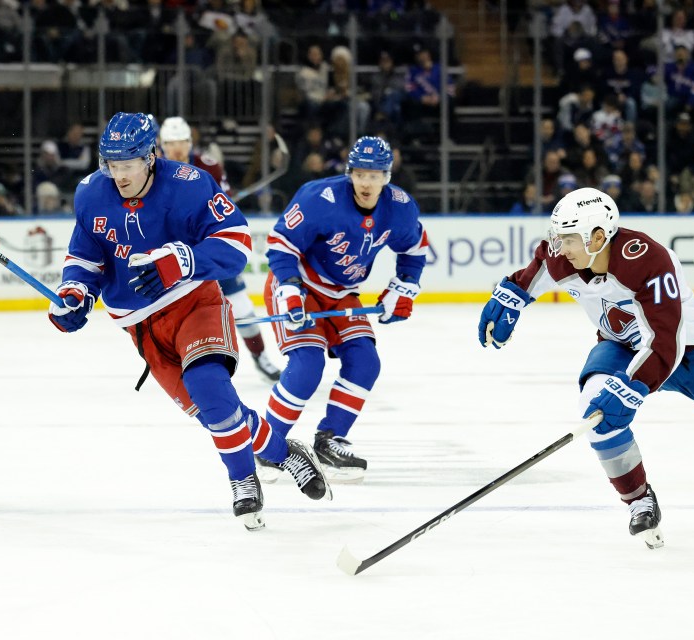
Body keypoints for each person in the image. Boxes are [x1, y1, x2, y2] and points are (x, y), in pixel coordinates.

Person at [49, 112, 332, 531]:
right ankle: (282, 450)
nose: (118, 175)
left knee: (208, 387)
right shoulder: (91, 193)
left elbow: (236, 243)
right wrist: (76, 293)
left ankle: (242, 480)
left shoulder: (189, 183)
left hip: (192, 301)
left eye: (127, 164)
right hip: (141, 326)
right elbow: (86, 258)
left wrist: (184, 260)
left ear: (150, 156)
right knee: (215, 414)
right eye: (111, 164)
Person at [478, 187, 694, 549]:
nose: (561, 247)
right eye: (559, 237)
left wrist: (633, 385)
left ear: (599, 237)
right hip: (619, 346)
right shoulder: (563, 258)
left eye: (569, 239)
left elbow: (666, 340)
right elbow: (534, 272)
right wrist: (511, 296)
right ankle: (639, 500)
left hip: (692, 349)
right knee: (596, 411)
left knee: (614, 402)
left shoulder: (648, 261)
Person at [260, 137, 429, 483]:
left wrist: (405, 286)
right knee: (308, 365)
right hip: (300, 286)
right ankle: (266, 446)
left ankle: (330, 438)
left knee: (365, 361)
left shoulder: (399, 208)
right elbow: (280, 244)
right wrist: (291, 288)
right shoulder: (318, 198)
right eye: (360, 174)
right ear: (350, 172)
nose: (367, 183)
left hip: (342, 294)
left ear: (387, 176)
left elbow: (415, 248)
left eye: (375, 174)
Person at [158, 115, 282, 381]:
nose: (177, 148)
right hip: (174, 252)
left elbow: (223, 209)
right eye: (170, 143)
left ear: (191, 143)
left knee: (241, 305)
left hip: (210, 250)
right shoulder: (154, 171)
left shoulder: (209, 167)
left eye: (182, 142)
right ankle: (177, 361)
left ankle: (260, 357)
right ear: (161, 145)